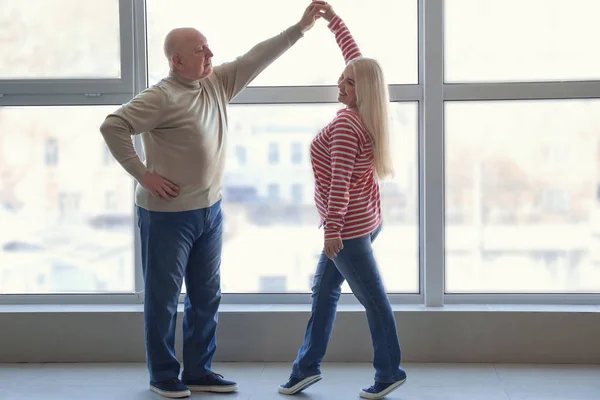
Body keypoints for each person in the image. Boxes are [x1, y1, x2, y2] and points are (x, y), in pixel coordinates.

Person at [99, 3, 327, 398]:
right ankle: (163, 375)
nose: (211, 55)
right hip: (168, 216)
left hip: (210, 211)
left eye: (208, 48)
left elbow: (258, 56)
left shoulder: (217, 82)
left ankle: (199, 371)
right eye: (202, 50)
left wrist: (301, 27)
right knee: (164, 299)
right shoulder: (162, 96)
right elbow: (113, 125)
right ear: (177, 60)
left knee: (206, 295)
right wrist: (144, 174)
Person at [278, 3, 407, 400]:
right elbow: (354, 56)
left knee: (373, 300)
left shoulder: (347, 125)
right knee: (324, 292)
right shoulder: (366, 112)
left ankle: (390, 372)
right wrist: (332, 20)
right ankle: (305, 369)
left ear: (361, 91)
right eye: (344, 78)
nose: (341, 81)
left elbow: (339, 184)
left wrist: (332, 230)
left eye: (348, 83)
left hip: (347, 229)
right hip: (365, 219)